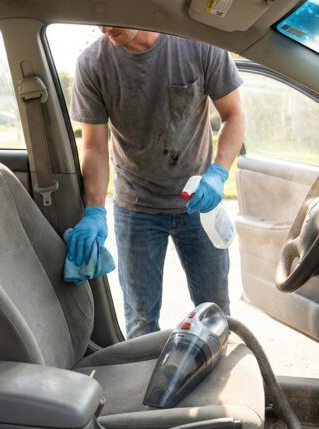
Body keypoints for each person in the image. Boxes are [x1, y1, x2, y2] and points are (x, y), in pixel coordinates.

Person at [67, 26, 246, 339]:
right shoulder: (92, 64)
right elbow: (94, 146)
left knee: (216, 311)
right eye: (98, 17)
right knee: (140, 320)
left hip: (199, 204)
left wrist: (218, 173)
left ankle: (214, 380)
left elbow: (234, 115)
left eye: (113, 12)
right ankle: (144, 386)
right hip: (136, 208)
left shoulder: (200, 44)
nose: (106, 27)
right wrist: (94, 210)